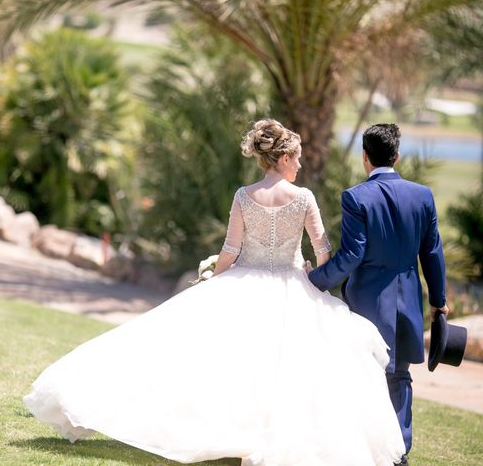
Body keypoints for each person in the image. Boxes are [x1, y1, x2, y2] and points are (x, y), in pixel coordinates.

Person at [24, 119, 406, 466]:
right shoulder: (304, 198)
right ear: (285, 156)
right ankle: (261, 438)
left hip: (246, 283)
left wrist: (214, 279)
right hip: (293, 286)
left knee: (234, 364)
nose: (301, 166)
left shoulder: (244, 195)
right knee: (284, 368)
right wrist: (315, 273)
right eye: (298, 158)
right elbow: (322, 250)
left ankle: (233, 436)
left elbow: (230, 250)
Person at [308, 123, 448, 464]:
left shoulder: (356, 197)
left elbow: (352, 254)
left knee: (362, 371)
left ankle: (362, 449)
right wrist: (438, 303)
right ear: (397, 156)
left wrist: (314, 281)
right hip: (409, 299)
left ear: (364, 157)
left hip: (367, 301)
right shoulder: (422, 195)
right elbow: (432, 253)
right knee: (399, 373)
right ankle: (399, 450)